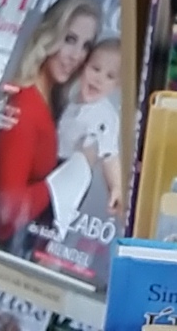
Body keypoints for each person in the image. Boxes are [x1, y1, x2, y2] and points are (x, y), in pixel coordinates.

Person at [0, 0, 101, 254]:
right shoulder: (26, 107)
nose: (76, 56)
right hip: (5, 256)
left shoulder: (50, 103)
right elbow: (5, 219)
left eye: (86, 46)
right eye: (70, 39)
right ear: (49, 37)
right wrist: (73, 171)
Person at [53, 36, 124, 226]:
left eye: (110, 76)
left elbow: (109, 155)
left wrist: (116, 187)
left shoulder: (105, 115)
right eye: (95, 69)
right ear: (84, 66)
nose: (99, 79)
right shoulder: (69, 96)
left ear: (117, 85)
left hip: (70, 174)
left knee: (55, 219)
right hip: (50, 161)